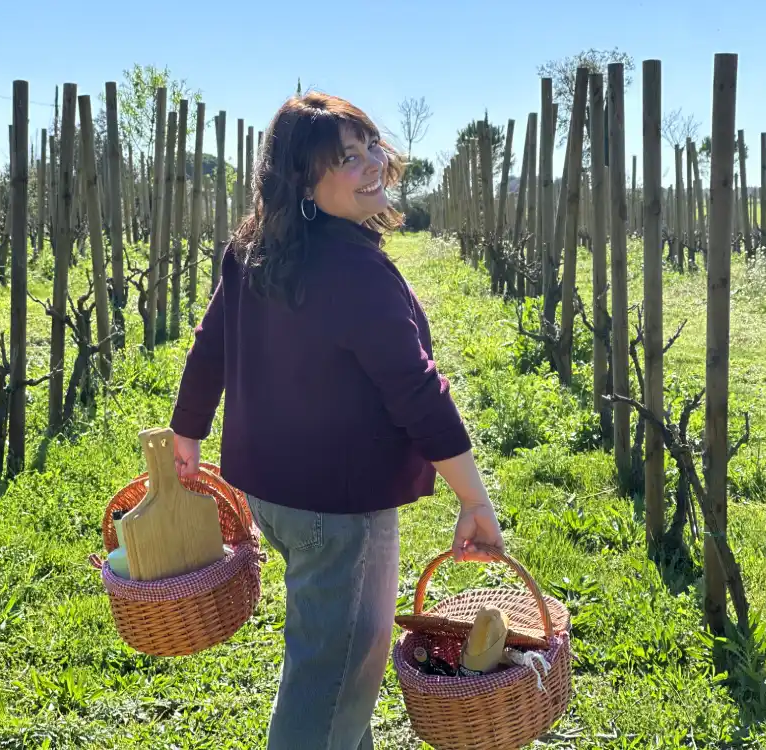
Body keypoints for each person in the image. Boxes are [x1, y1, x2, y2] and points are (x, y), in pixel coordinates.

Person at [169, 91, 504, 750]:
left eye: (369, 145)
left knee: (334, 661)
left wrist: (189, 431)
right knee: (332, 678)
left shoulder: (255, 248)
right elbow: (417, 391)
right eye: (346, 159)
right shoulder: (354, 271)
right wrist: (473, 497)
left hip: (274, 494)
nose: (372, 164)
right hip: (339, 510)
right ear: (304, 180)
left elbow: (213, 342)